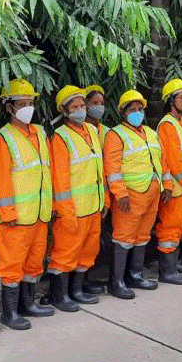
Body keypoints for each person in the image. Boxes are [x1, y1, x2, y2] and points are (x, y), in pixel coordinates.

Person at [0, 78, 55, 330]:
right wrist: (7, 212)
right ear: (9, 108)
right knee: (12, 264)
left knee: (33, 262)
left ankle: (28, 304)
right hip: (15, 217)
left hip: (39, 213)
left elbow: (47, 172)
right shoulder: (3, 138)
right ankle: (9, 313)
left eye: (30, 103)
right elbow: (0, 178)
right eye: (21, 103)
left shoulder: (40, 133)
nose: (28, 107)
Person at [41, 85, 107, 312]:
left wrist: (104, 200)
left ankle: (76, 291)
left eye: (82, 105)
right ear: (65, 110)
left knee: (87, 251)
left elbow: (100, 170)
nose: (80, 109)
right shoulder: (60, 137)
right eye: (75, 106)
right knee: (64, 253)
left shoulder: (91, 131)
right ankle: (60, 295)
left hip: (93, 206)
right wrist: (65, 211)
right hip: (73, 209)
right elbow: (60, 179)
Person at [103, 90, 163, 299]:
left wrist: (165, 186)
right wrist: (120, 194)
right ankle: (116, 281)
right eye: (132, 110)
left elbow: (159, 162)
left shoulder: (150, 132)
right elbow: (112, 168)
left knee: (142, 237)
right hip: (130, 196)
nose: (137, 113)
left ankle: (135, 276)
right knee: (123, 238)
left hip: (152, 193)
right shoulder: (116, 134)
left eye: (139, 109)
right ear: (123, 112)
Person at [155, 79, 182, 284]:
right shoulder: (168, 125)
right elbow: (174, 160)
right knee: (170, 228)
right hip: (176, 187)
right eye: (181, 97)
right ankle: (167, 271)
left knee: (177, 227)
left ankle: (172, 265)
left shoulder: (180, 123)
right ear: (171, 100)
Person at [82, 84, 109, 295]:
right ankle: (76, 285)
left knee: (93, 242)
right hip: (83, 194)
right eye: (94, 103)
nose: (99, 107)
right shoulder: (77, 132)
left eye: (101, 103)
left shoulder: (104, 132)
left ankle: (87, 279)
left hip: (100, 191)